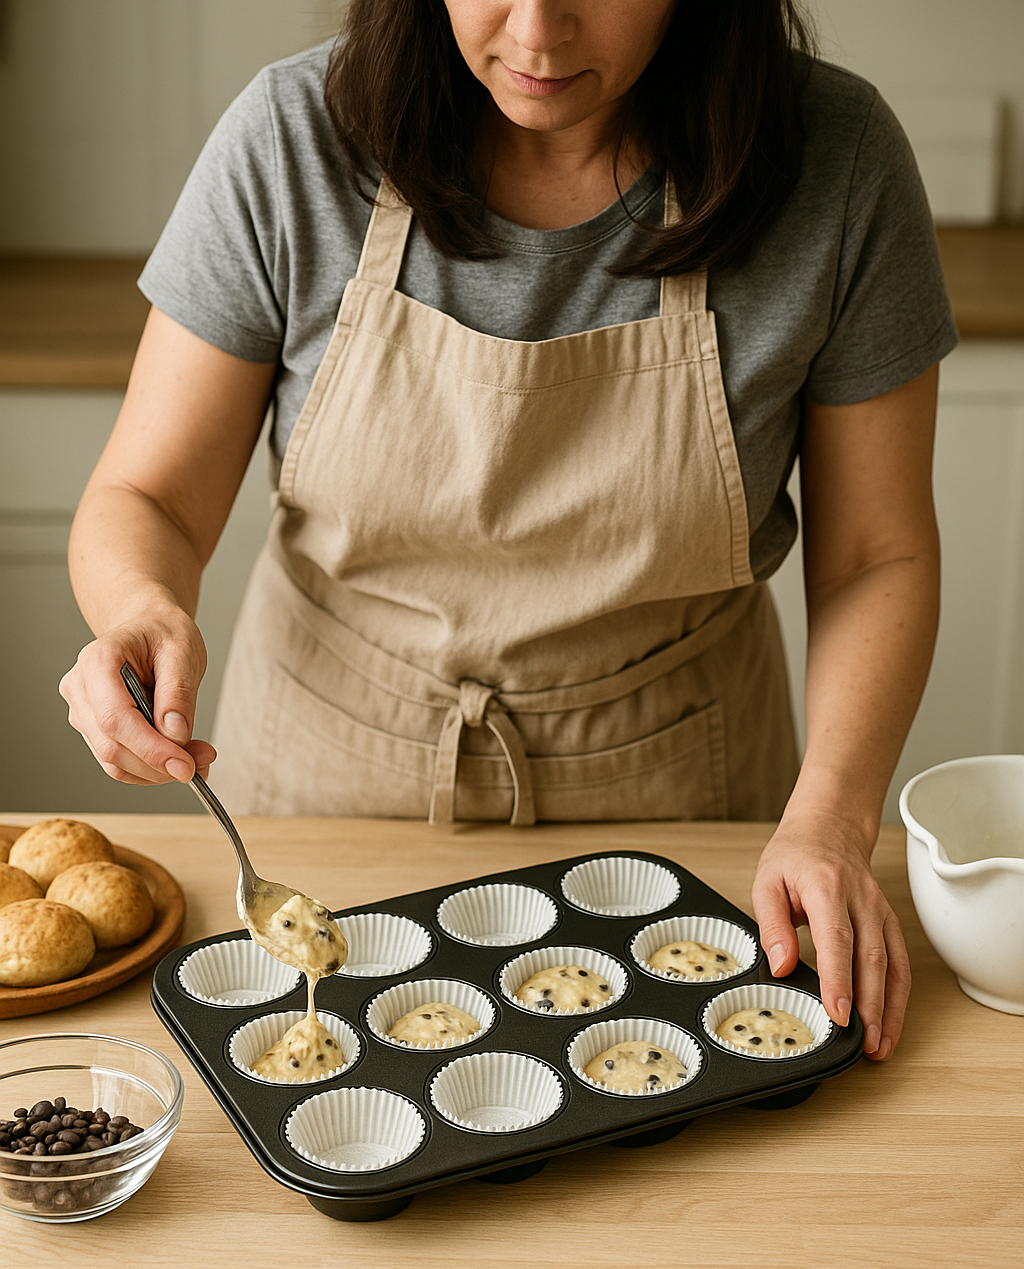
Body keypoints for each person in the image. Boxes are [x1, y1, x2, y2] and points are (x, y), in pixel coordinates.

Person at [59, 1, 957, 1064]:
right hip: (326, 799)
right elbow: (148, 496)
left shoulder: (835, 161)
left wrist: (835, 823)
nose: (536, 32)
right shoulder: (293, 139)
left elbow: (874, 556)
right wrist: (140, 607)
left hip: (684, 818)